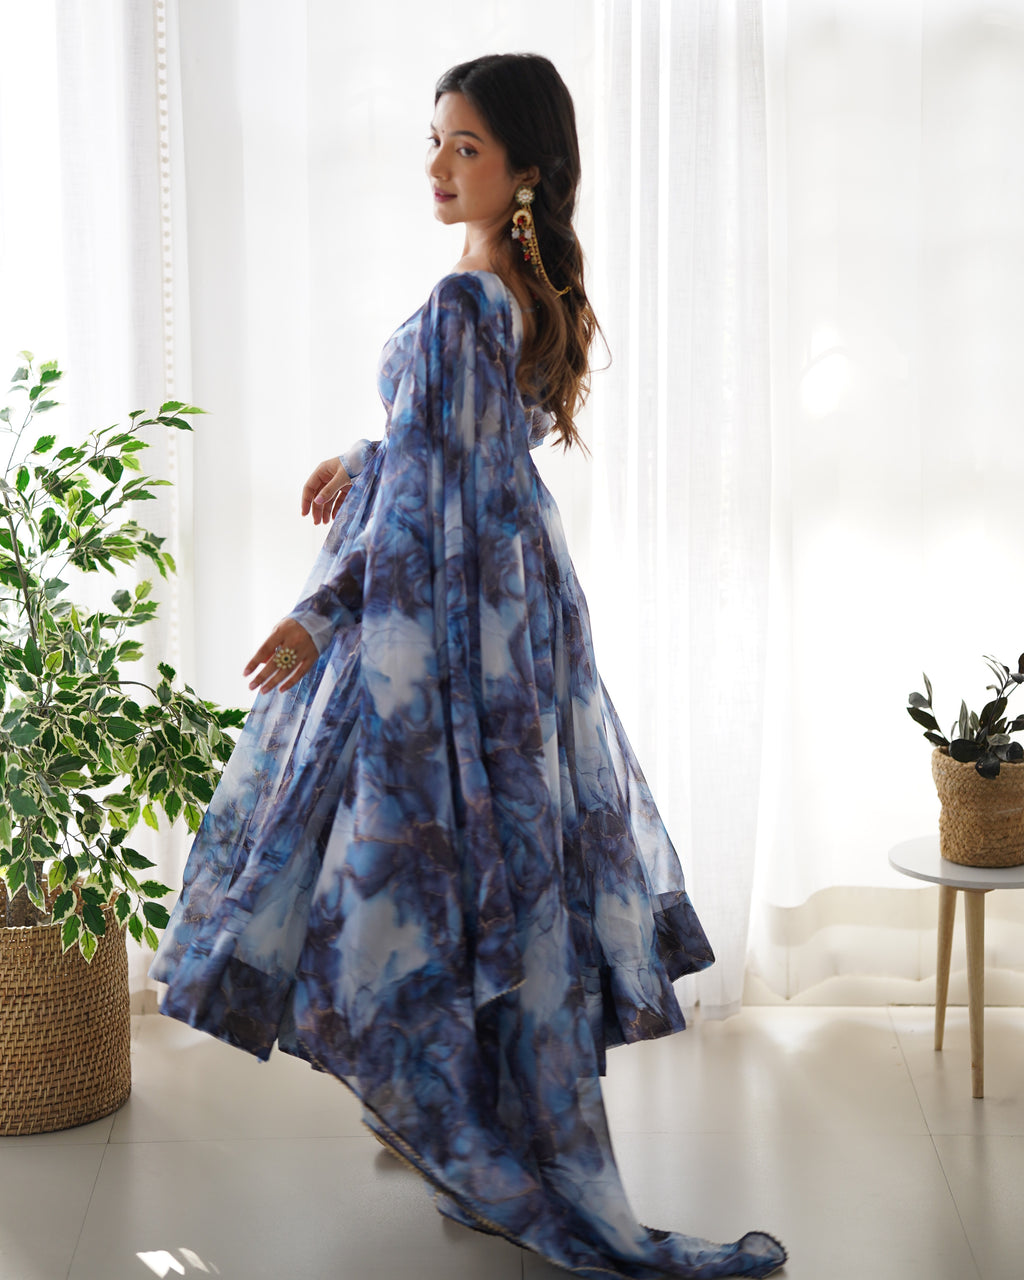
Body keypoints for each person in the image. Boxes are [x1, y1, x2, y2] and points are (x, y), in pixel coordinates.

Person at [151, 53, 786, 1280]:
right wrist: (366, 450)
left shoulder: (462, 301)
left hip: (448, 624)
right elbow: (462, 451)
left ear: (525, 172)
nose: (438, 167)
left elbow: (441, 482)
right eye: (436, 142)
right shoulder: (511, 289)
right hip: (511, 613)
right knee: (490, 861)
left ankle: (458, 1118)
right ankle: (472, 1119)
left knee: (416, 867)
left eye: (466, 149)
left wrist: (319, 611)